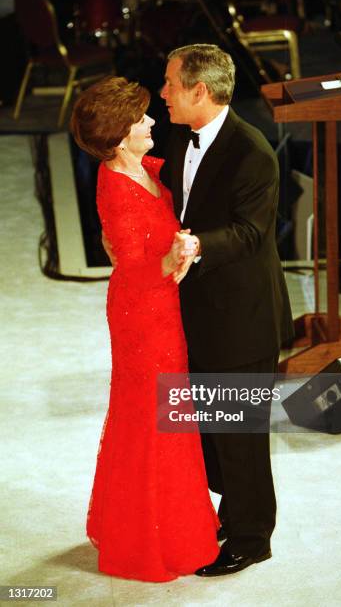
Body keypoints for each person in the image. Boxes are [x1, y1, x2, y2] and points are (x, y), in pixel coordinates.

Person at [70, 76, 219, 582]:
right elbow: (132, 266)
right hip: (142, 317)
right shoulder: (115, 185)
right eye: (140, 119)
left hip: (160, 308)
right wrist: (174, 254)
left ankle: (164, 525)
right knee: (154, 419)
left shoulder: (143, 168)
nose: (151, 121)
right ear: (118, 134)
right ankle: (147, 540)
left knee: (164, 416)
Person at [159, 44, 294, 577]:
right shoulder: (179, 134)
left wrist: (197, 246)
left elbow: (251, 232)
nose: (162, 92)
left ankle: (251, 537)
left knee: (240, 436)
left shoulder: (253, 151)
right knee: (211, 433)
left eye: (170, 84)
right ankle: (228, 512)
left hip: (243, 317)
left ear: (199, 91)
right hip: (198, 311)